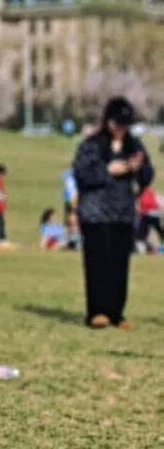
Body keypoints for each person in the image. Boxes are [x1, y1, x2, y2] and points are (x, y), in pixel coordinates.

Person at [73, 96, 154, 328]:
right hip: (95, 213)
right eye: (117, 124)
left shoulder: (134, 145)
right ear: (107, 121)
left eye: (125, 125)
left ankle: (117, 313)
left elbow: (147, 176)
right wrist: (109, 170)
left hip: (122, 213)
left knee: (120, 264)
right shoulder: (91, 144)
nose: (121, 129)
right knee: (98, 263)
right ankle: (97, 312)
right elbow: (82, 175)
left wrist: (139, 168)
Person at [135, 185, 162, 253]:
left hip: (145, 217)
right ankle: (153, 248)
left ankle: (147, 247)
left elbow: (137, 209)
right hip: (155, 216)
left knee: (142, 234)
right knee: (157, 232)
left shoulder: (140, 196)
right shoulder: (155, 195)